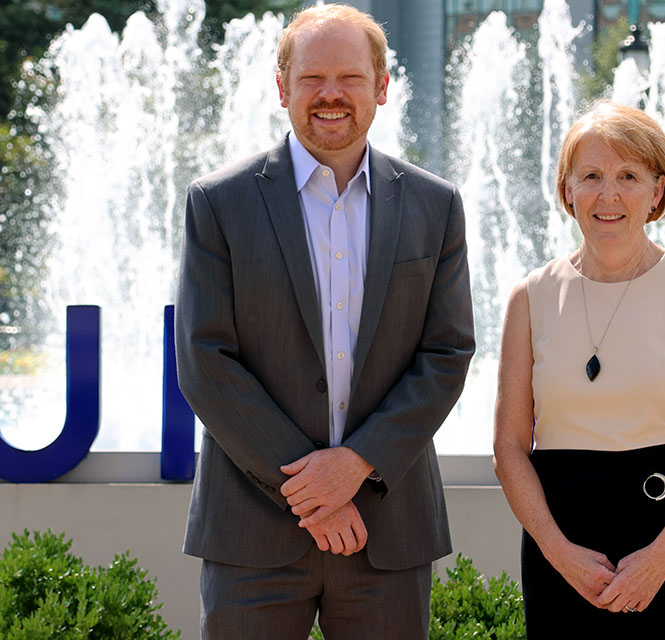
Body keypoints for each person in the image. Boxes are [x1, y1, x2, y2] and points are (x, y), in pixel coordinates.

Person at [174, 5, 474, 639]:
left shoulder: (435, 205)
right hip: (251, 534)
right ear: (283, 87)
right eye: (312, 79)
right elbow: (205, 360)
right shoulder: (218, 202)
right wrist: (315, 487)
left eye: (350, 78)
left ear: (382, 86)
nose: (331, 95)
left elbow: (446, 353)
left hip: (386, 532)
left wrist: (358, 463)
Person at [493, 100, 665, 638]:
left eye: (628, 176)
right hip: (565, 556)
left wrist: (659, 559)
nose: (608, 195)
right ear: (567, 190)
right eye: (591, 176)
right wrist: (559, 552)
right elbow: (509, 450)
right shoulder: (530, 298)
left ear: (657, 191)